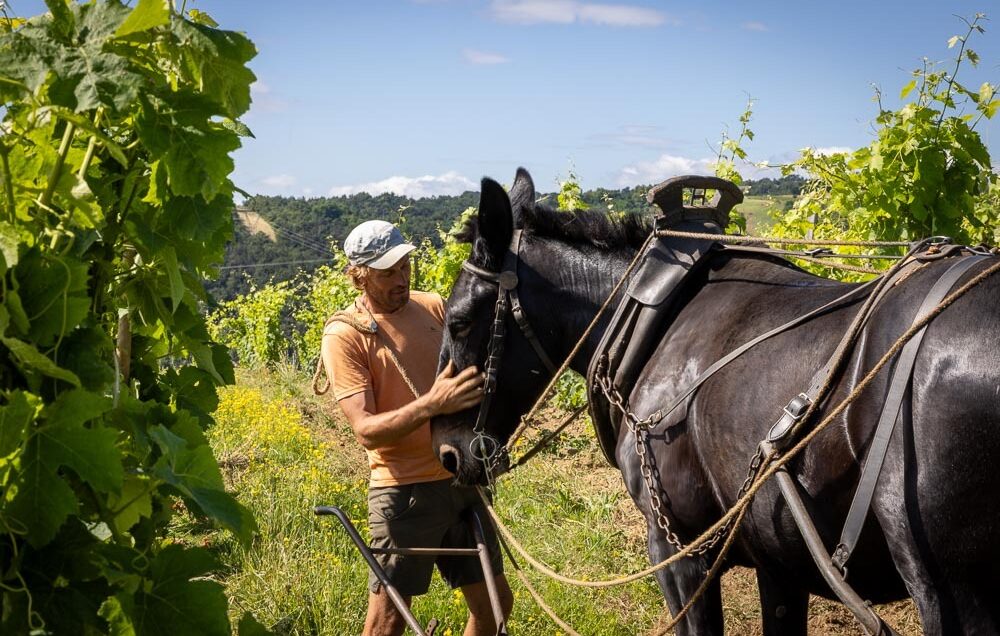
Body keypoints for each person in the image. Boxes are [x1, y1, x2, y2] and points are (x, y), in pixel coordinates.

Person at [320, 219, 513, 636]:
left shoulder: (433, 307)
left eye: (405, 266)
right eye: (388, 272)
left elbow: (466, 378)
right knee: (387, 623)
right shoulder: (345, 335)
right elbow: (366, 430)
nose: (401, 278)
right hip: (402, 493)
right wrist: (431, 404)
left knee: (495, 608)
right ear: (359, 275)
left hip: (458, 480)